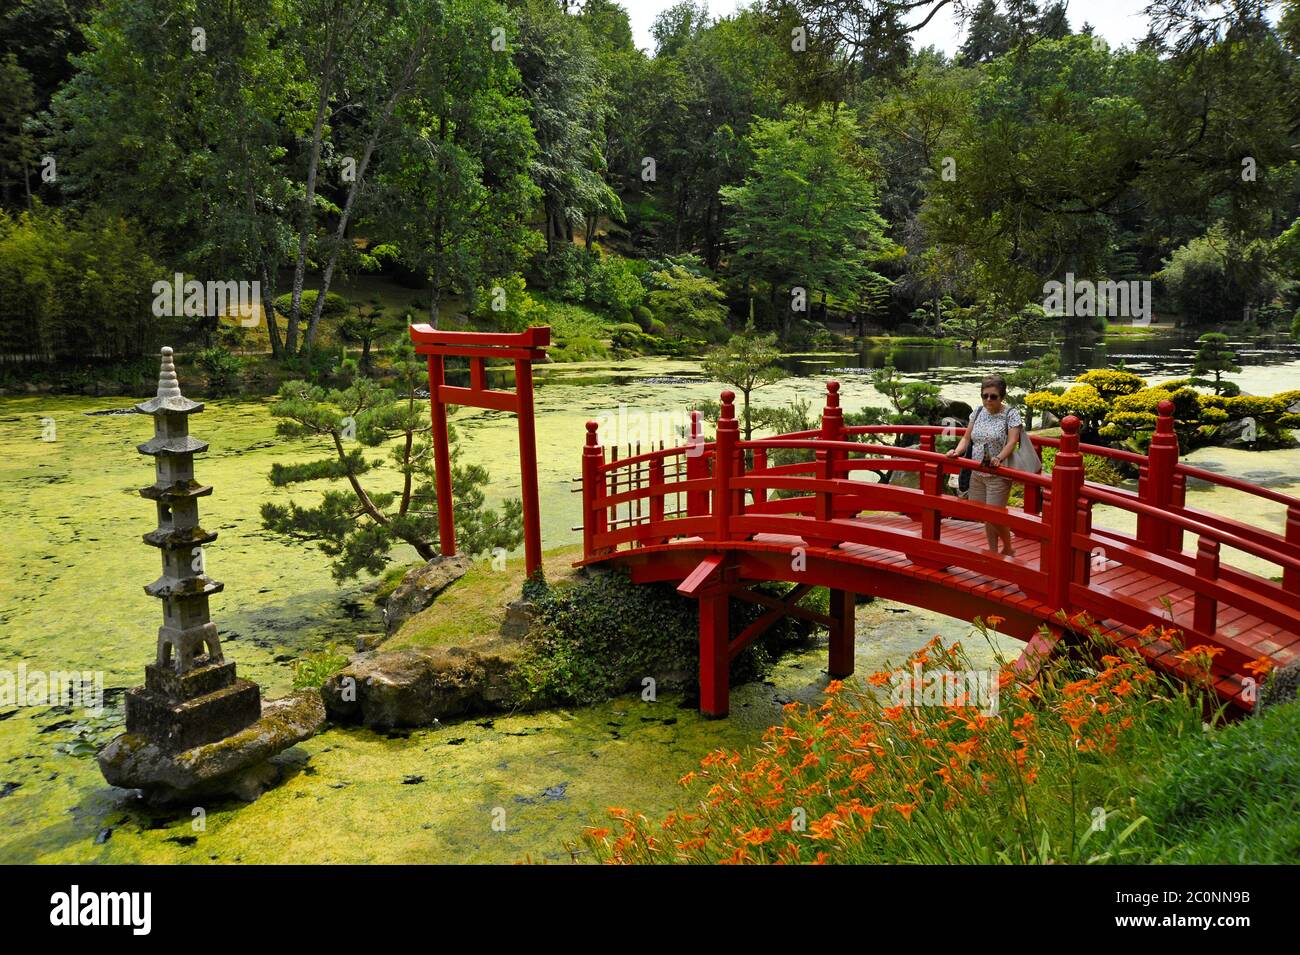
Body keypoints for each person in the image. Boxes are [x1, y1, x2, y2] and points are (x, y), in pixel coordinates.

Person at [946, 375, 1022, 556]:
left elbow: (1012, 442)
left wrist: (999, 458)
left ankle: (1008, 548)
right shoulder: (978, 412)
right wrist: (956, 451)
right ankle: (994, 551)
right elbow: (966, 438)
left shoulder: (1011, 414)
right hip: (977, 471)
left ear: (1002, 397)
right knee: (984, 514)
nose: (988, 399)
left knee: (994, 515)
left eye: (993, 396)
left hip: (999, 473)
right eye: (984, 395)